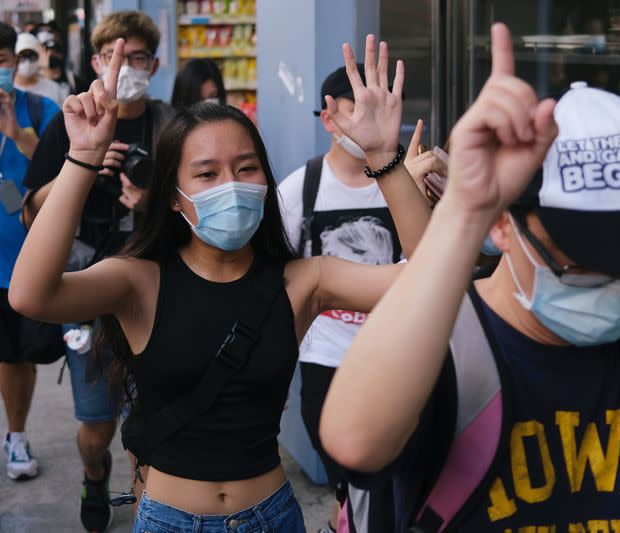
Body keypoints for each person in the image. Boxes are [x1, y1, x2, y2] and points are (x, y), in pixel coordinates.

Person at [319, 23, 620, 532]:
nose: (619, 280)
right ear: (504, 227)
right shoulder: (441, 344)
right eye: (585, 255)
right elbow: (356, 440)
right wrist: (465, 208)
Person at [9, 34, 429, 532]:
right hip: (169, 520)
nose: (231, 183)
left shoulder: (304, 281)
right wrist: (82, 158)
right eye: (206, 174)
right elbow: (31, 294)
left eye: (246, 167)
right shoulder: (138, 280)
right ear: (172, 196)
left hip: (272, 516)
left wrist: (385, 158)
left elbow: (426, 282)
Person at [20, 11, 173, 533]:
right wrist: (79, 169)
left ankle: (150, 506)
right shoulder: (75, 122)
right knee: (95, 427)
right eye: (112, 56)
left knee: (149, 421)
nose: (123, 67)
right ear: (94, 61)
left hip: (154, 292)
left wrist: (152, 200)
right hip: (87, 292)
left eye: (135, 58)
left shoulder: (170, 124)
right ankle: (93, 475)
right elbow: (30, 208)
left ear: (154, 64)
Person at [278, 62, 439, 533]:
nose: (368, 119)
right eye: (357, 107)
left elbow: (431, 264)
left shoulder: (402, 183)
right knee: (350, 487)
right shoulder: (299, 189)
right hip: (326, 365)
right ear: (329, 117)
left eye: (381, 106)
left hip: (398, 361)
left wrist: (429, 198)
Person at [0, 22, 59, 481]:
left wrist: (17, 134)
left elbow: (60, 175)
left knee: (15, 356)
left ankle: (15, 435)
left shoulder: (40, 110)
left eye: (2, 60)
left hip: (20, 261)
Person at [13, 32, 68, 105]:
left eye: (32, 56)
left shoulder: (53, 88)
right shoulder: (7, 89)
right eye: (22, 57)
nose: (27, 62)